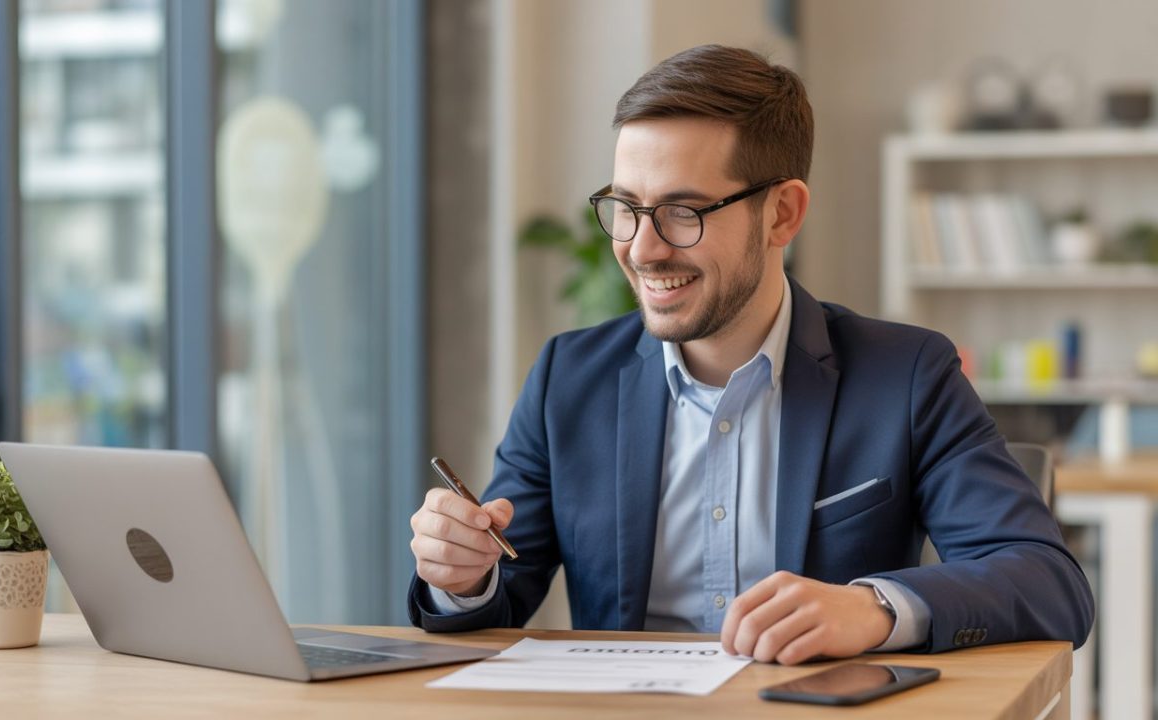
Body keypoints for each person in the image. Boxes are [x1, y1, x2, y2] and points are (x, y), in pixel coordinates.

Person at [407, 44, 1094, 664]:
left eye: (683, 211)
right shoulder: (569, 378)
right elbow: (501, 596)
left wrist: (872, 608)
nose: (642, 248)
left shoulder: (906, 376)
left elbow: (1048, 581)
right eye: (626, 206)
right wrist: (462, 577)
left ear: (783, 214)